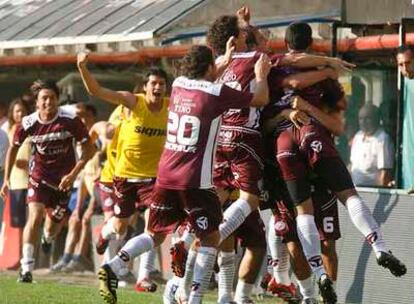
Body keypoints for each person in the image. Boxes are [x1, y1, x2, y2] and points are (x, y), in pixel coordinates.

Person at [97, 45, 271, 304]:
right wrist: (260, 75)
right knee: (211, 238)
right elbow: (260, 99)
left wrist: (223, 60)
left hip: (165, 175)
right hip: (195, 181)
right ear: (209, 68)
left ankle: (113, 265)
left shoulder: (179, 85)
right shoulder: (216, 92)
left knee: (155, 235)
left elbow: (206, 76)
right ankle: (194, 300)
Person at [272, 22, 406, 303]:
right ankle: (379, 246)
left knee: (303, 215)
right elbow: (337, 118)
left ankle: (319, 274)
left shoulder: (272, 65)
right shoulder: (321, 74)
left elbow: (291, 78)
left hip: (282, 144)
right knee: (348, 195)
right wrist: (328, 69)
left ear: (284, 43)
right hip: (311, 135)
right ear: (310, 44)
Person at [77, 52, 169, 293]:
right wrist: (82, 67)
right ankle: (104, 233)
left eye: (161, 84)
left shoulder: (171, 106)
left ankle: (144, 276)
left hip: (153, 179)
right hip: (125, 177)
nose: (157, 87)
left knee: (154, 225)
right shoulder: (132, 102)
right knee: (119, 227)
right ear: (146, 87)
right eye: (153, 83)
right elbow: (97, 91)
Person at [0, 79, 94, 283]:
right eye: (44, 98)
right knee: (34, 216)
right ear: (37, 102)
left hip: (63, 182)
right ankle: (26, 268)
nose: (48, 102)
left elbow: (89, 149)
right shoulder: (28, 123)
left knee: (52, 228)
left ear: (57, 100)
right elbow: (13, 149)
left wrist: (74, 174)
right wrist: (6, 179)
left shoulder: (70, 121)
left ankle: (47, 238)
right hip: (39, 178)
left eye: (52, 98)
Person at [350, 104, 394, 186]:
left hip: (372, 193)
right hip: (355, 190)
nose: (363, 122)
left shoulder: (383, 139)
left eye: (367, 118)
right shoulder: (358, 136)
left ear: (376, 119)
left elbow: (385, 173)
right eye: (361, 119)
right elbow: (352, 165)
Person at [6, 98, 31, 240]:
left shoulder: (32, 130)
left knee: (32, 221)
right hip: (14, 182)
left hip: (30, 181)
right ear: (12, 113)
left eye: (22, 111)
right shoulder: (8, 130)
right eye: (17, 111)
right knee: (19, 223)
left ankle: (32, 257)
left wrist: (29, 163)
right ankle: (21, 257)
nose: (20, 114)